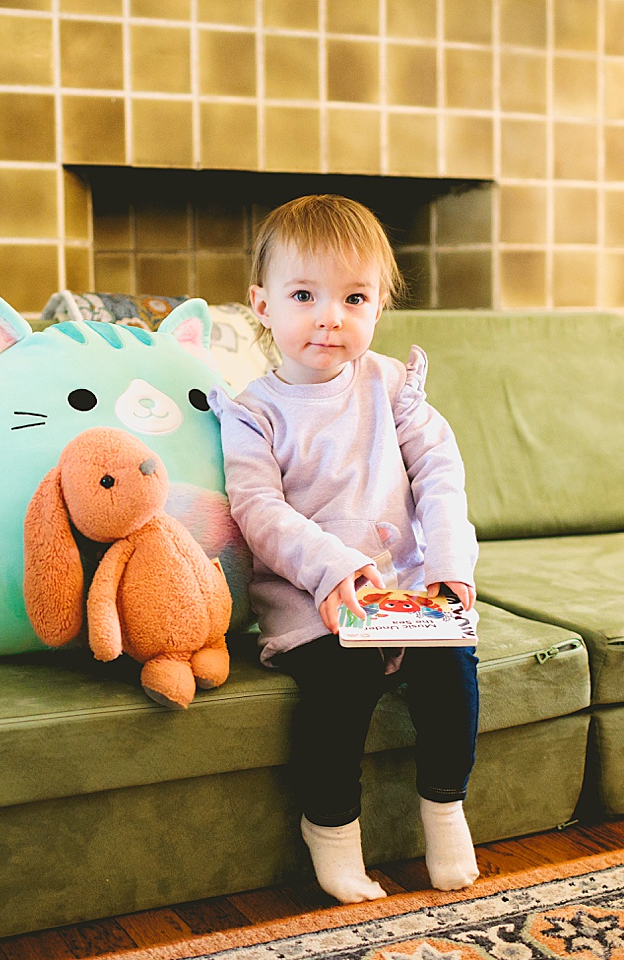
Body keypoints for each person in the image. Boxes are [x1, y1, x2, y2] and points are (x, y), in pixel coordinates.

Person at [209, 195, 480, 904]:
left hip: (406, 592)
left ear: (378, 306)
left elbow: (442, 477)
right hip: (312, 598)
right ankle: (329, 829)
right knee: (342, 685)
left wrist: (451, 570)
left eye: (354, 297)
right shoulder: (252, 413)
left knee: (452, 667)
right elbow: (258, 510)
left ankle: (445, 809)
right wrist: (334, 569)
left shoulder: (392, 386)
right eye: (305, 295)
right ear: (263, 306)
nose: (331, 316)